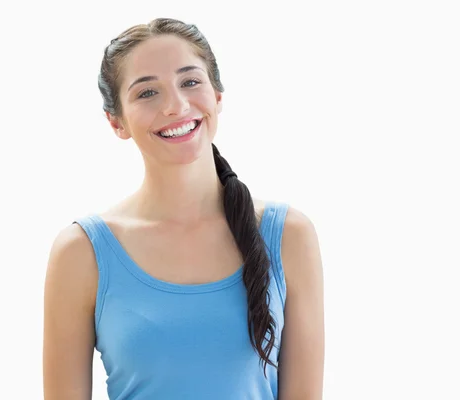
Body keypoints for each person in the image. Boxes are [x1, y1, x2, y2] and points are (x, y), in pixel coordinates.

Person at [43, 17, 325, 400]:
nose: (176, 105)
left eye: (190, 82)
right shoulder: (81, 253)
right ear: (116, 121)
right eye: (147, 93)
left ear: (218, 97)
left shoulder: (289, 235)